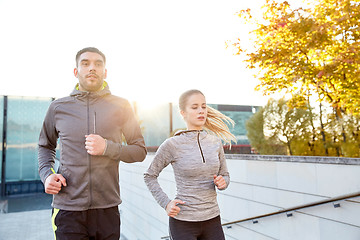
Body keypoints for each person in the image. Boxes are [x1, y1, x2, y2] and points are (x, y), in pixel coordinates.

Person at [38, 47, 147, 240]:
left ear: (105, 72)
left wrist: (108, 147)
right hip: (68, 209)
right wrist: (47, 175)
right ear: (76, 71)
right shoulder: (58, 107)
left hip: (107, 209)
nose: (92, 68)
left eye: (98, 64)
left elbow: (139, 151)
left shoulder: (121, 106)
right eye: (85, 63)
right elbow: (45, 146)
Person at [144, 89, 236, 240]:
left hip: (212, 220)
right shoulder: (172, 144)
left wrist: (223, 182)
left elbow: (225, 175)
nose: (201, 111)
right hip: (183, 223)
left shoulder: (215, 142)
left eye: (204, 106)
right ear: (183, 113)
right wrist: (166, 203)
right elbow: (149, 176)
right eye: (195, 107)